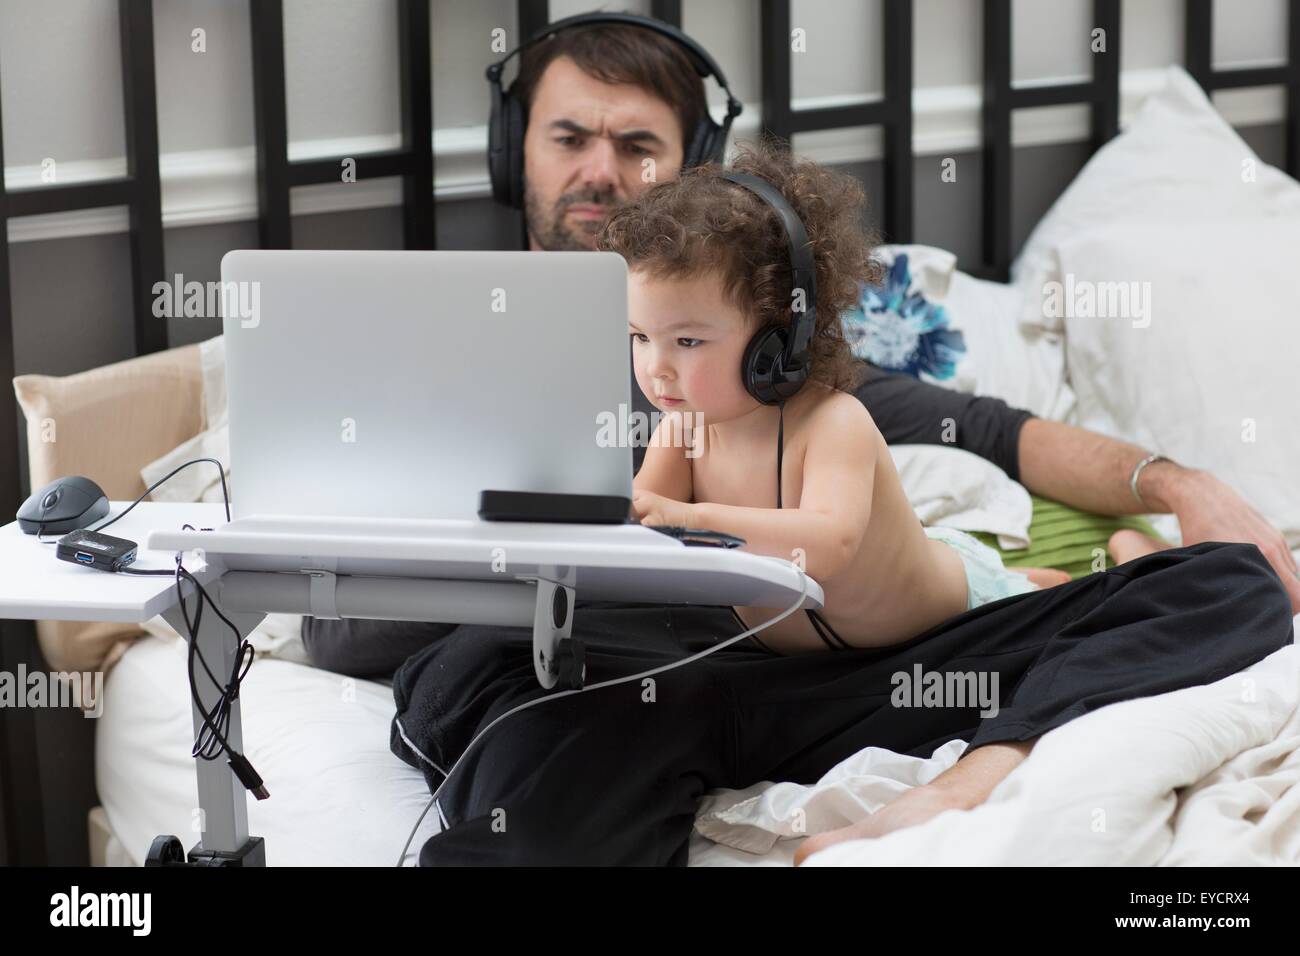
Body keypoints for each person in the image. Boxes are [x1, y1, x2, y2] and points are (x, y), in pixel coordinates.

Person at [302, 14, 1299, 865]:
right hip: (636, 679)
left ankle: (983, 765)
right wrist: (524, 558)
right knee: (505, 683)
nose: (600, 172)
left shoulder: (784, 384)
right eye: (568, 137)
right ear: (513, 150)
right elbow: (335, 628)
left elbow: (991, 429)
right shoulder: (432, 353)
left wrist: (1174, 477)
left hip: (844, 674)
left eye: (637, 145)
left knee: (1219, 584)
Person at [612, 140, 1050, 655]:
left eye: (687, 341)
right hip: (818, 654)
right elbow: (642, 526)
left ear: (779, 338)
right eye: (640, 336)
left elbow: (828, 544)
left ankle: (1062, 573)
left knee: (1043, 603)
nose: (655, 366)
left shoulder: (834, 423)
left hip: (959, 605)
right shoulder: (681, 431)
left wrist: (692, 520)